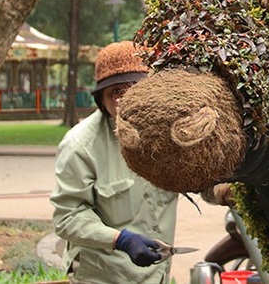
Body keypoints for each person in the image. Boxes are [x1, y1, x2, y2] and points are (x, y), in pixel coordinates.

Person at [50, 41, 179, 284]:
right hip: (102, 277)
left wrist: (221, 191)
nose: (125, 100)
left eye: (135, 89)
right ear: (101, 99)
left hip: (158, 276)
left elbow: (193, 177)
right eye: (116, 92)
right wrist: (121, 240)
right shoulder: (79, 145)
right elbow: (67, 218)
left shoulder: (169, 134)